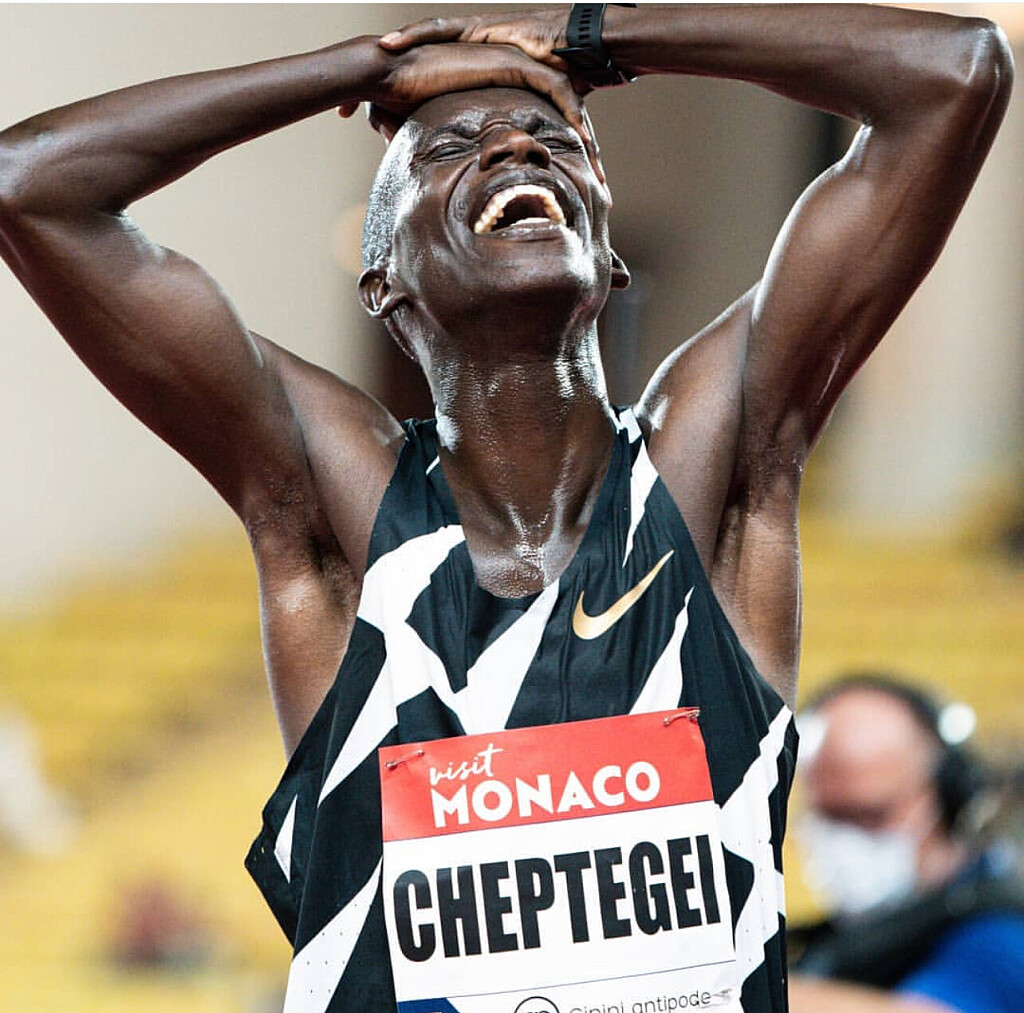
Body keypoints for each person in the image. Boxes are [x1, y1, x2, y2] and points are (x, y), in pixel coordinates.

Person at [0, 5, 1012, 1012]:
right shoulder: (336, 506)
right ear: (383, 282)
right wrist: (362, 69)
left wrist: (595, 38)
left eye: (554, 141)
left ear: (609, 255)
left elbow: (956, 72)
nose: (515, 147)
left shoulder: (710, 473)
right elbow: (31, 186)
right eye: (451, 148)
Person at [788, 674, 1024, 1013]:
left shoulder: (999, 936)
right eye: (828, 817)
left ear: (947, 798)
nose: (844, 837)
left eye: (870, 815)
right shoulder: (849, 940)